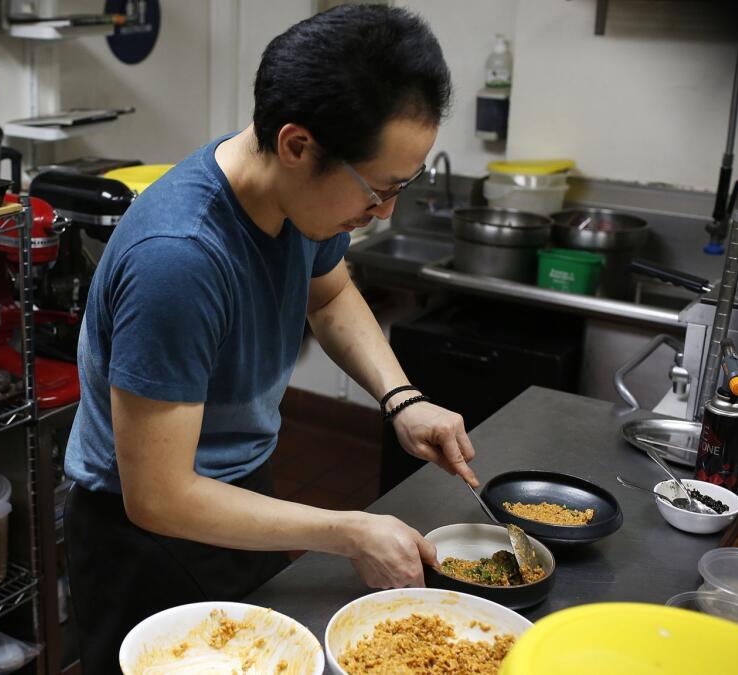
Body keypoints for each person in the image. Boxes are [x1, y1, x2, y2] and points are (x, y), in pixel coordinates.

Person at [62, 5, 476, 671]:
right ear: (296, 144)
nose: (383, 212)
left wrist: (401, 398)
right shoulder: (180, 257)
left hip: (233, 490)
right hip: (142, 534)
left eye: (400, 188)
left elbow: (332, 291)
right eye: (379, 190)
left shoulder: (295, 194)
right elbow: (160, 495)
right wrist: (346, 529)